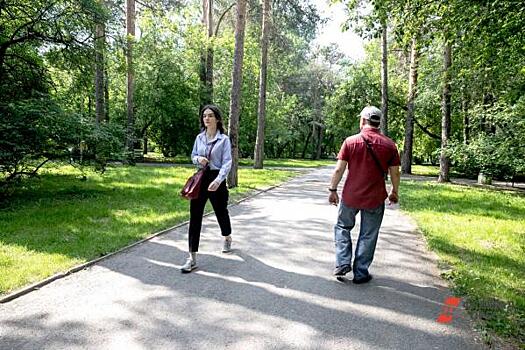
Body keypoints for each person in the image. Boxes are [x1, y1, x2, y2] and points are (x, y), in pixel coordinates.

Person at [328, 106, 401, 284]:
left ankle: (343, 262)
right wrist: (394, 192)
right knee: (368, 234)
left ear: (362, 121)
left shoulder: (350, 141)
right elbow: (395, 173)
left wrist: (332, 190)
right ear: (378, 123)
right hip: (375, 198)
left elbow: (339, 169)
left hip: (351, 196)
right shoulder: (390, 145)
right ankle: (360, 273)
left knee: (342, 227)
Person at [181, 104, 233, 273]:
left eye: (210, 115)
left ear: (217, 119)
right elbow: (193, 156)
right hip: (201, 178)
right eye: (204, 116)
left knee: (221, 212)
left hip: (217, 178)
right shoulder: (199, 138)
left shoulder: (224, 139)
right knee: (195, 217)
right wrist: (198, 159)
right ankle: (192, 257)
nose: (207, 118)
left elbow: (227, 162)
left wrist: (219, 180)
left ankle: (227, 237)